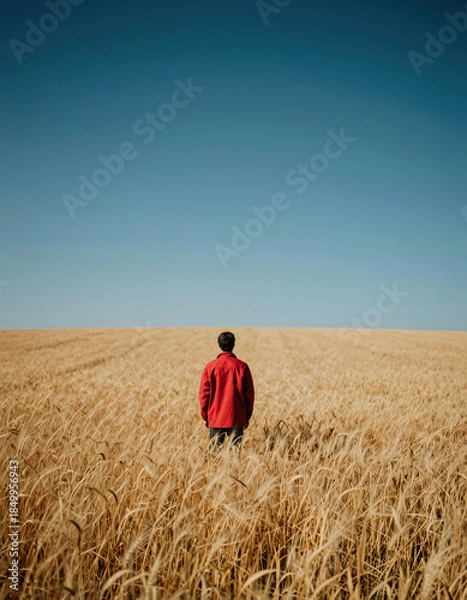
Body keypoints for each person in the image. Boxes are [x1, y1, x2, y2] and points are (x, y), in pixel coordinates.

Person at [199, 331, 254, 450]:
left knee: (215, 454)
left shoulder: (210, 367)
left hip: (215, 417)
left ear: (219, 345)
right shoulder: (242, 366)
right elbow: (249, 395)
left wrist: (205, 416)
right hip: (237, 417)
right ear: (233, 345)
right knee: (235, 455)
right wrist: (246, 416)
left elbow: (204, 395)